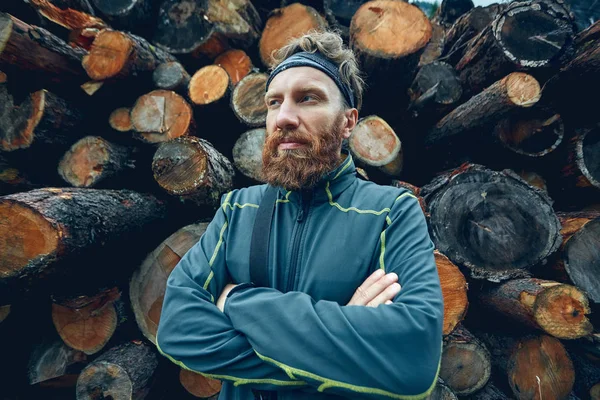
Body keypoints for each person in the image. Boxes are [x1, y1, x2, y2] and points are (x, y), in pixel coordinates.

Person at [157, 30, 443, 400]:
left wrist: (236, 301)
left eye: (308, 98)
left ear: (348, 122)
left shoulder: (390, 213)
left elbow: (412, 361)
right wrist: (345, 341)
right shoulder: (237, 210)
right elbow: (177, 328)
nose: (284, 117)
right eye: (274, 102)